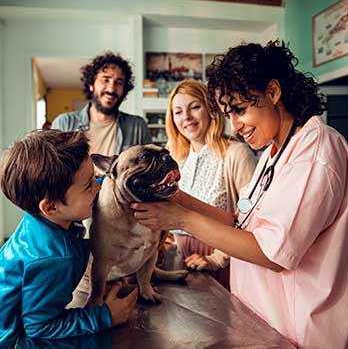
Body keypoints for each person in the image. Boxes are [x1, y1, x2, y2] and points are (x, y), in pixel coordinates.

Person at [130, 40, 348, 348]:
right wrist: (177, 198)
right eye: (228, 113)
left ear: (273, 92)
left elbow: (271, 253)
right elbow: (239, 221)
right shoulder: (273, 153)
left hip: (300, 331)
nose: (235, 125)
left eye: (240, 110)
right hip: (264, 322)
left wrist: (181, 217)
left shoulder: (315, 152)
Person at [0, 130, 138, 348]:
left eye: (95, 178)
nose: (99, 186)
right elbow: (39, 327)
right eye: (89, 185)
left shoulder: (40, 218)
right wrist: (106, 316)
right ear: (51, 207)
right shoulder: (54, 259)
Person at [165, 79, 256, 290]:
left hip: (223, 262)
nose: (186, 117)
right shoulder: (175, 157)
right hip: (181, 261)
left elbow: (250, 214)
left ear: (210, 109)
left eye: (194, 107)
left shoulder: (236, 153)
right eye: (177, 112)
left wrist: (217, 259)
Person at [52, 52, 152, 156]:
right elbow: (53, 169)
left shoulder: (137, 127)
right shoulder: (64, 124)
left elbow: (151, 169)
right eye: (106, 80)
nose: (111, 89)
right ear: (91, 84)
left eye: (118, 82)